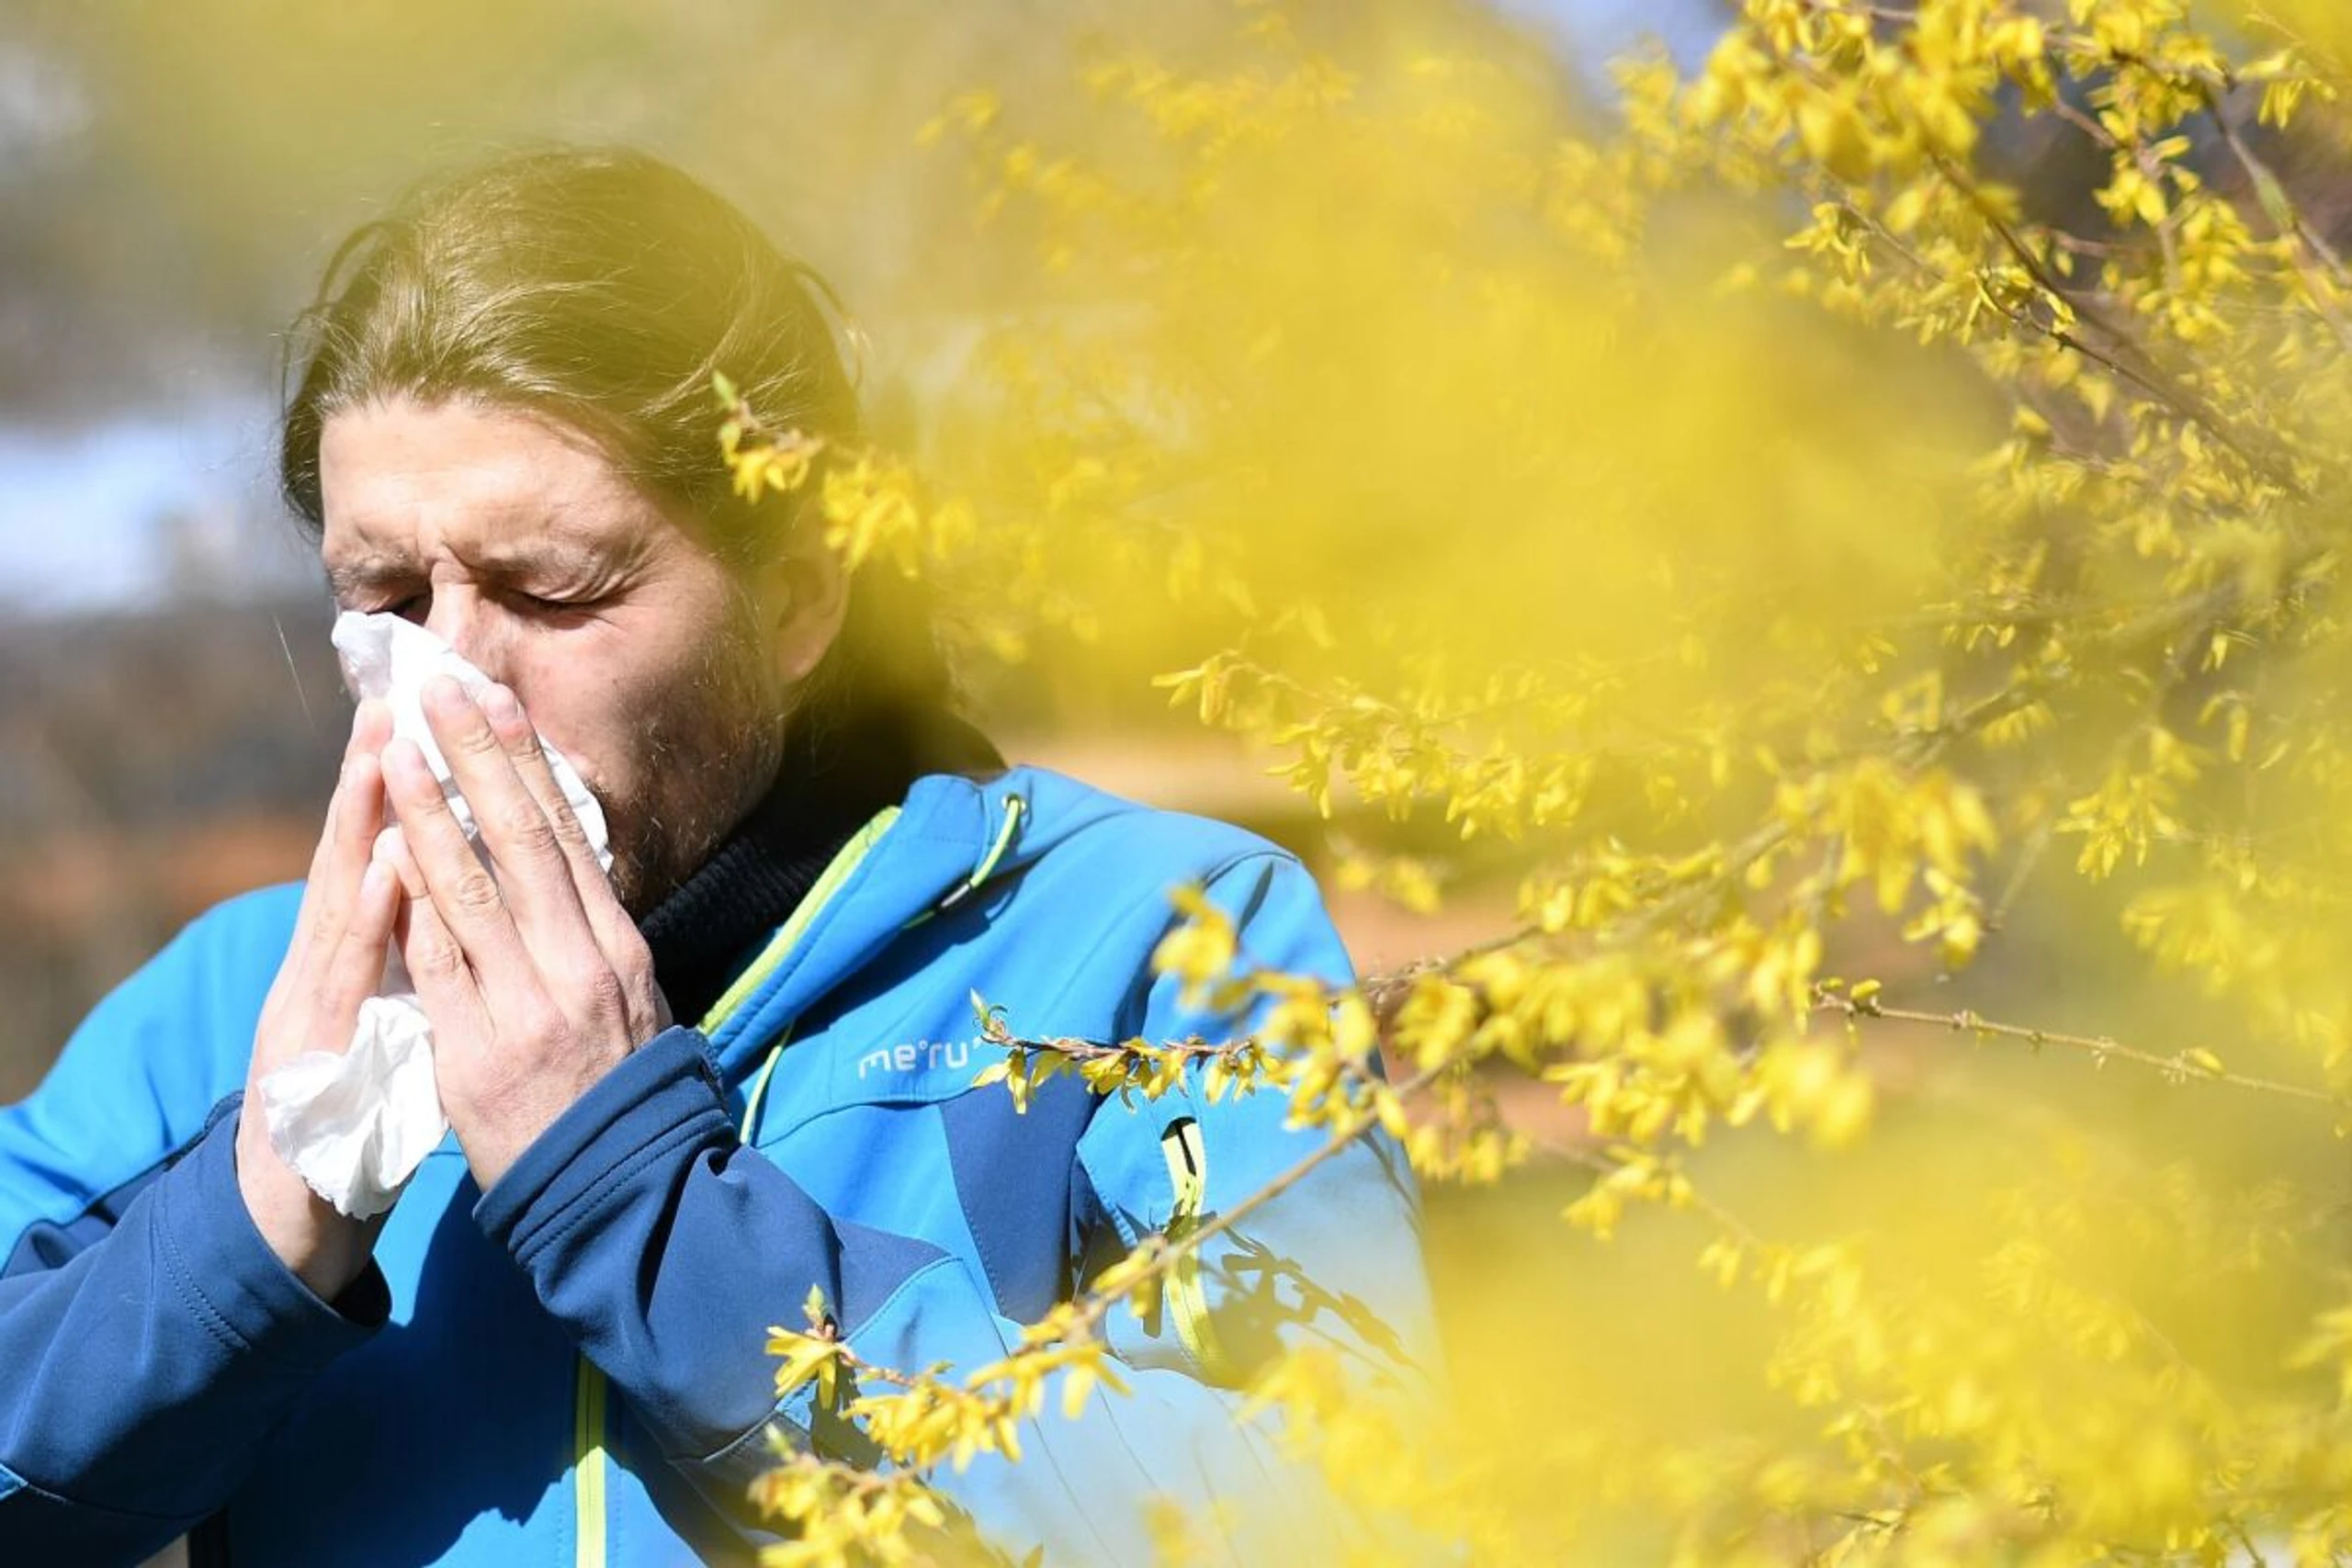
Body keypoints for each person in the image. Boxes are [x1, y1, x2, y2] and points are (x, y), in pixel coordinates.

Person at [0, 147, 1436, 1565]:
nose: (452, 678)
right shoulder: (241, 1005)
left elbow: (1338, 1509)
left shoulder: (1149, 938)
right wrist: (249, 1230)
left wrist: (644, 1204)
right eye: (383, 593)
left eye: (549, 587)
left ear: (798, 601)